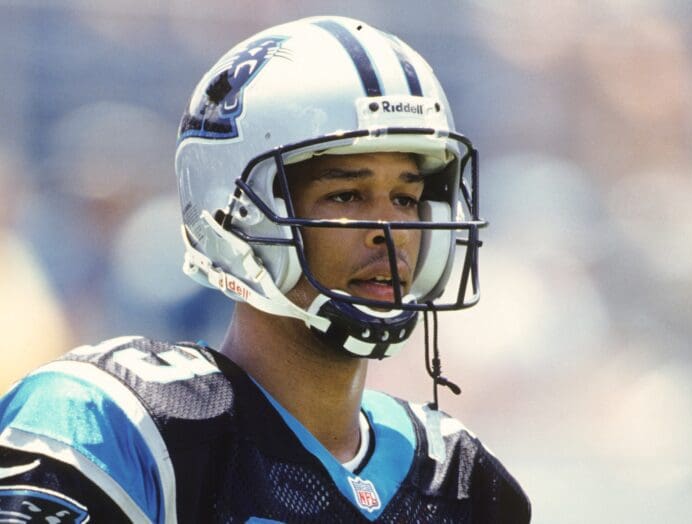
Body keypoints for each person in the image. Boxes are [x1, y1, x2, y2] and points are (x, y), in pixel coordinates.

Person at [0, 16, 530, 523]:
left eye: (406, 197)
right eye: (347, 194)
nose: (388, 230)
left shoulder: (456, 477)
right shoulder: (120, 426)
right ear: (236, 213)